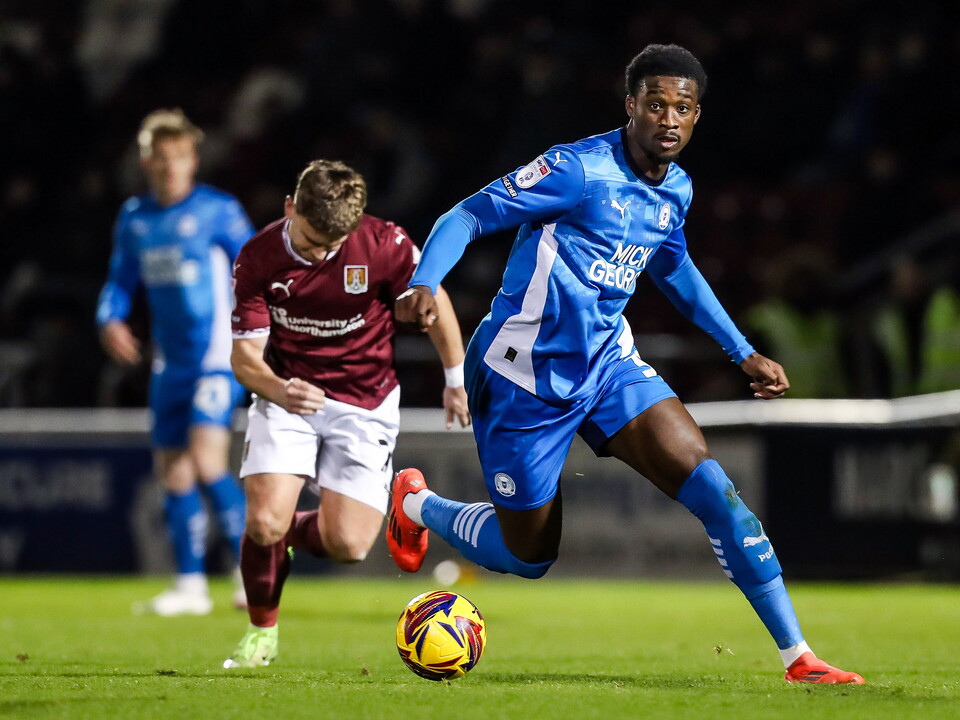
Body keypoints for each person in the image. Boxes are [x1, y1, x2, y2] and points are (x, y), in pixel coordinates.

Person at [387, 44, 864, 685]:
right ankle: (417, 506)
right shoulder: (575, 170)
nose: (670, 118)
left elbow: (674, 267)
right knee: (529, 556)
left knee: (718, 494)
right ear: (631, 106)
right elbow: (466, 214)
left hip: (609, 367)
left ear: (697, 117)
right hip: (521, 376)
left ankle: (798, 656)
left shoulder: (678, 189)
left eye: (684, 108)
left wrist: (741, 350)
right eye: (657, 104)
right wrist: (425, 281)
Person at [224, 159, 470, 668]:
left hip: (366, 402)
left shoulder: (385, 245)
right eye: (312, 241)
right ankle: (260, 634)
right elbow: (244, 359)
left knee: (348, 545)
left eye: (333, 246)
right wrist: (278, 388)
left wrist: (455, 380)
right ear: (290, 207)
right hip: (287, 393)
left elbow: (435, 300)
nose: (321, 254)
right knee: (265, 519)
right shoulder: (258, 257)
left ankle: (276, 537)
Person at [96, 109, 254, 616]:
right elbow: (120, 282)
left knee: (207, 460)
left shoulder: (218, 211)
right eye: (161, 159)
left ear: (193, 160)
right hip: (170, 361)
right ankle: (190, 586)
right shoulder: (135, 219)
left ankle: (250, 574)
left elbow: (255, 268)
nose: (170, 167)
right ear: (147, 162)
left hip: (216, 356)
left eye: (179, 158)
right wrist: (110, 319)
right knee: (173, 471)